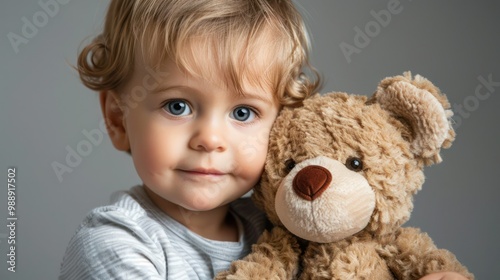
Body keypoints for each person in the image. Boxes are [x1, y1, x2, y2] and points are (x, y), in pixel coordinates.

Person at [59, 1, 469, 279]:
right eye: (178, 106)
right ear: (118, 117)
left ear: (280, 123)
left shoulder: (277, 226)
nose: (210, 139)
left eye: (243, 113)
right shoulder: (115, 242)